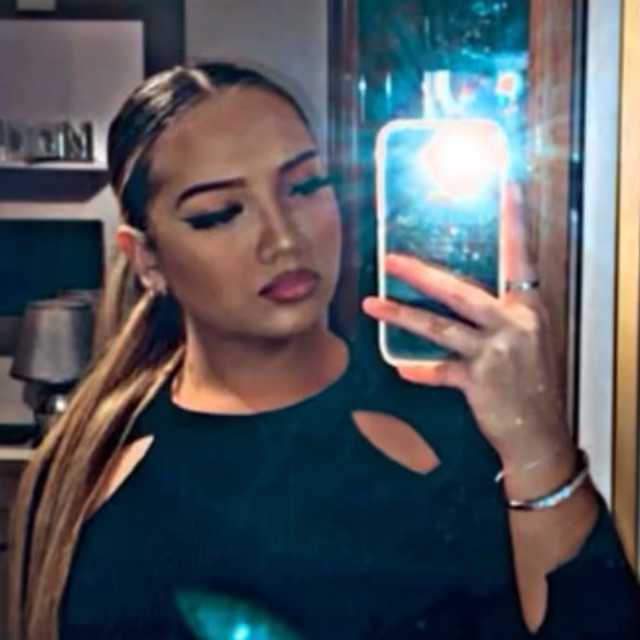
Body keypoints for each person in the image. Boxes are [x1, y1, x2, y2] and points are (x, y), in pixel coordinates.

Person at [8, 62, 639, 640]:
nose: (284, 238)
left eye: (306, 185)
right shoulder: (86, 472)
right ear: (146, 258)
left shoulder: (459, 425)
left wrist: (536, 439)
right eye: (221, 213)